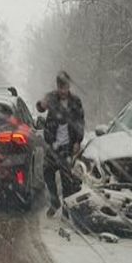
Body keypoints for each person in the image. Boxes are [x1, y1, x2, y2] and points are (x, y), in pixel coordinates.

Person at [36, 70, 85, 217]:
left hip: (67, 146)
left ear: (69, 86)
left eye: (65, 87)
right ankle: (54, 201)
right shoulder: (51, 98)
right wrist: (41, 104)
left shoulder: (75, 101)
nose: (63, 91)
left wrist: (78, 141)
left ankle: (66, 209)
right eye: (60, 87)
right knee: (47, 173)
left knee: (66, 179)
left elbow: (80, 122)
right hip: (52, 145)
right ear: (57, 86)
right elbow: (40, 107)